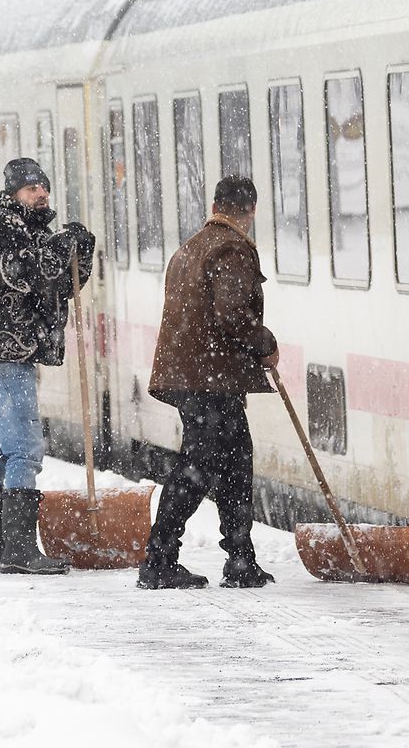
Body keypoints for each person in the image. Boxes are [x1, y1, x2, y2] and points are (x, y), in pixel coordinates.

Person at [0, 157, 95, 575]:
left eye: (44, 187)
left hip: (5, 355)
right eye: (32, 188)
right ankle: (18, 549)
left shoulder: (32, 232)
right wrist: (59, 247)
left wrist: (80, 254)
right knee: (24, 449)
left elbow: (58, 286)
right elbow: (22, 273)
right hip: (0, 353)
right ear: (14, 192)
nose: (41, 194)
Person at [139, 175, 278, 590]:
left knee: (235, 460)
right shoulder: (231, 249)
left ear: (216, 206)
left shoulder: (192, 247)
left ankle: (240, 559)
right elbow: (232, 313)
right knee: (200, 465)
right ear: (251, 211)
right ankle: (159, 560)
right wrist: (265, 344)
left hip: (195, 375)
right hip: (208, 378)